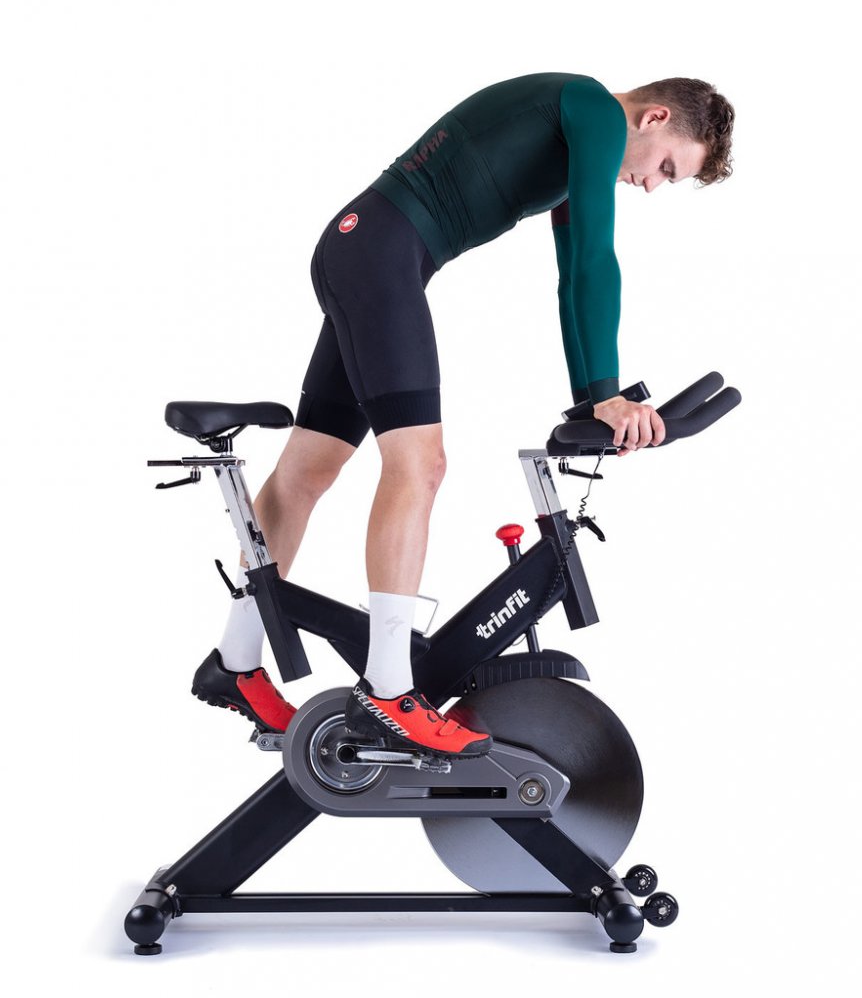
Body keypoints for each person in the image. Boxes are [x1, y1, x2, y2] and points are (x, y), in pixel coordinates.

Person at [191, 72, 735, 757]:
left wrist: (596, 396)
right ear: (654, 117)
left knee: (308, 470)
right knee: (419, 465)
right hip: (380, 256)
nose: (652, 185)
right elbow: (598, 258)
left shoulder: (581, 135)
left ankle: (235, 664)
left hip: (365, 250)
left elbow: (574, 268)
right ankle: (388, 691)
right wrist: (607, 393)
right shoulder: (597, 110)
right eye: (666, 168)